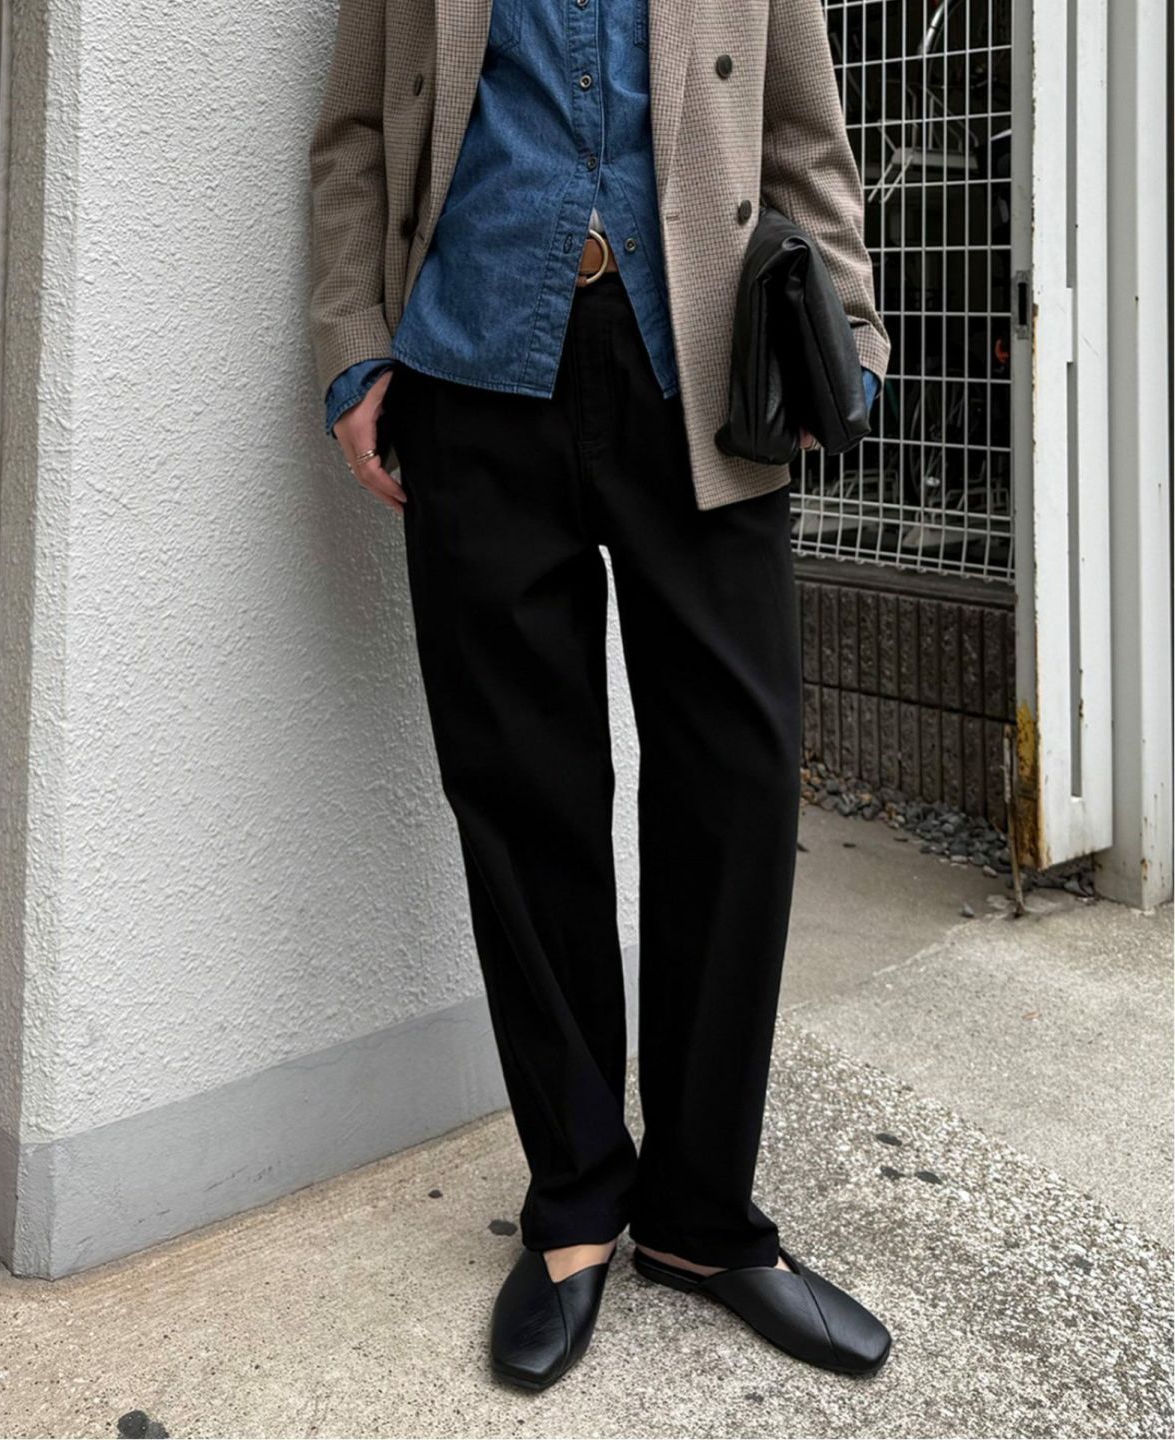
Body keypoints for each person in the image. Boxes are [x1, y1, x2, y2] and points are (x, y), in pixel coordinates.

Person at [309, 0, 892, 1392]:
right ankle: (573, 1201)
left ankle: (700, 1219)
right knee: (524, 793)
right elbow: (354, 139)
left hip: (706, 371)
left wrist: (851, 335)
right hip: (470, 366)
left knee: (736, 785)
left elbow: (802, 129)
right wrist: (353, 344)